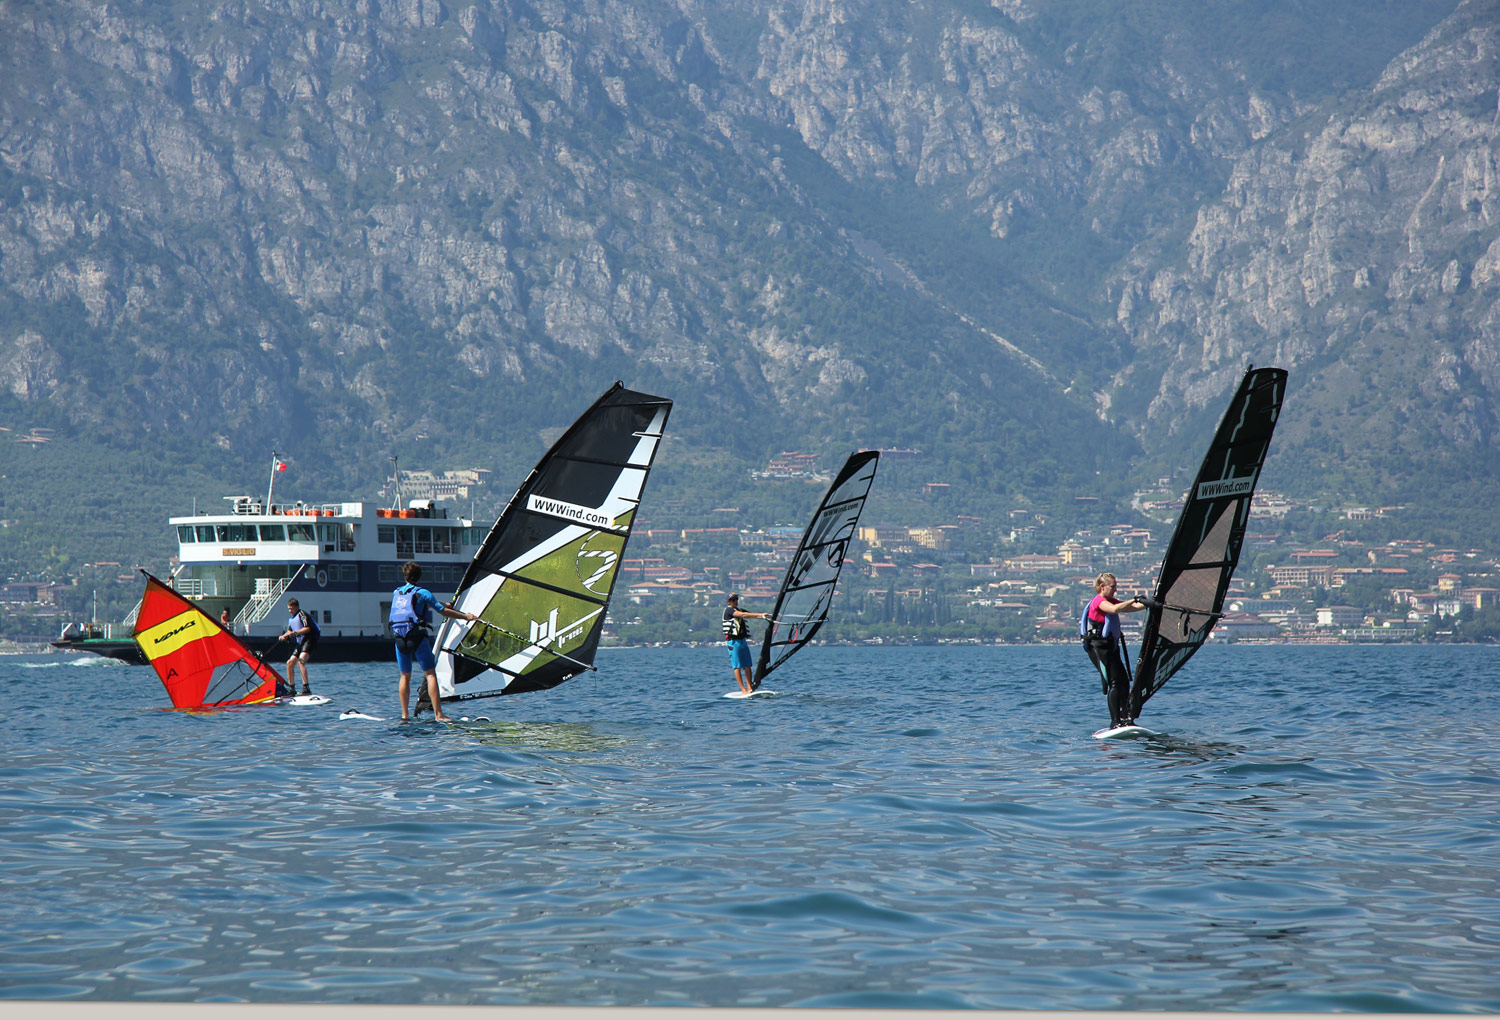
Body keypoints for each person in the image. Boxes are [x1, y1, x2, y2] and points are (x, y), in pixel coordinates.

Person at [390, 560, 480, 722]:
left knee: (404, 676)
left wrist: (441, 604)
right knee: (431, 675)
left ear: (405, 575)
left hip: (399, 639)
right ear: (419, 576)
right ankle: (439, 715)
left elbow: (423, 605)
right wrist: (466, 616)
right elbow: (443, 612)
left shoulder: (397, 593)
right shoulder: (424, 592)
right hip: (417, 637)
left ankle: (404, 715)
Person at [1079, 572, 1149, 728]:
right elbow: (1115, 609)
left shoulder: (1110, 600)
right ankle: (1115, 721)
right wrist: (1134, 598)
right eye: (1113, 586)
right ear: (1102, 587)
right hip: (1099, 648)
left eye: (1116, 586)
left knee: (1124, 681)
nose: (1115, 589)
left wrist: (1149, 603)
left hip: (1110, 647)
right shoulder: (1099, 601)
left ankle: (1125, 718)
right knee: (1115, 682)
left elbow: (1130, 608)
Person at [722, 592, 769, 695]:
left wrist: (767, 616)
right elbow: (744, 615)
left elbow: (751, 615)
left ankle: (749, 687)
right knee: (737, 666)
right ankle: (743, 690)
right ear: (728, 602)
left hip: (742, 641)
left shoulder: (739, 610)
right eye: (733, 600)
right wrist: (760, 615)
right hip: (733, 642)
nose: (735, 601)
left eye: (736, 599)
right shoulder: (729, 610)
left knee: (747, 665)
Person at [281, 598, 319, 695]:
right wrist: (284, 636)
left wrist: (295, 633)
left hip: (309, 639)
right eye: (289, 609)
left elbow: (308, 628)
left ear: (297, 607)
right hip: (301, 642)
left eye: (292, 609)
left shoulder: (302, 614)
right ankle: (292, 689)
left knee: (300, 661)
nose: (290, 611)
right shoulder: (291, 619)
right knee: (289, 663)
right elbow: (290, 631)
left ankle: (306, 688)